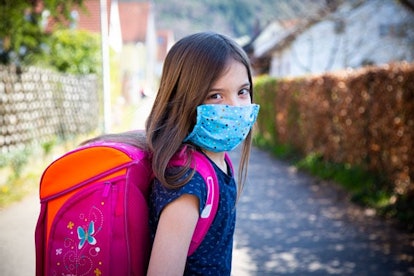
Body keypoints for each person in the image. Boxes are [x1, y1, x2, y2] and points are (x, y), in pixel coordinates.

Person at [146, 32, 260, 275]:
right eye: (216, 96)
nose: (236, 107)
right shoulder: (187, 183)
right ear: (183, 100)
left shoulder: (219, 160)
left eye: (242, 91)